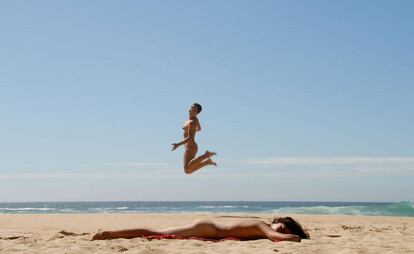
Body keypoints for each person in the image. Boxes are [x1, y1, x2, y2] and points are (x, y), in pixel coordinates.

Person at [91, 217, 309, 242]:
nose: (282, 230)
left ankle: (110, 233)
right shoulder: (264, 226)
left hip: (208, 227)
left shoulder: (258, 224)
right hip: (207, 228)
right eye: (284, 226)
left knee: (156, 232)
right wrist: (296, 238)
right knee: (154, 232)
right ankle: (109, 234)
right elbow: (276, 238)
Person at [171, 103, 217, 174]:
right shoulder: (193, 119)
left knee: (187, 170)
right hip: (190, 147)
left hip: (191, 147)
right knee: (188, 170)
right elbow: (199, 128)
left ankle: (206, 155)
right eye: (192, 108)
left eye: (194, 110)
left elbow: (190, 138)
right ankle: (207, 162)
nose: (191, 110)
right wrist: (194, 130)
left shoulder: (192, 122)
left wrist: (178, 144)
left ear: (196, 113)